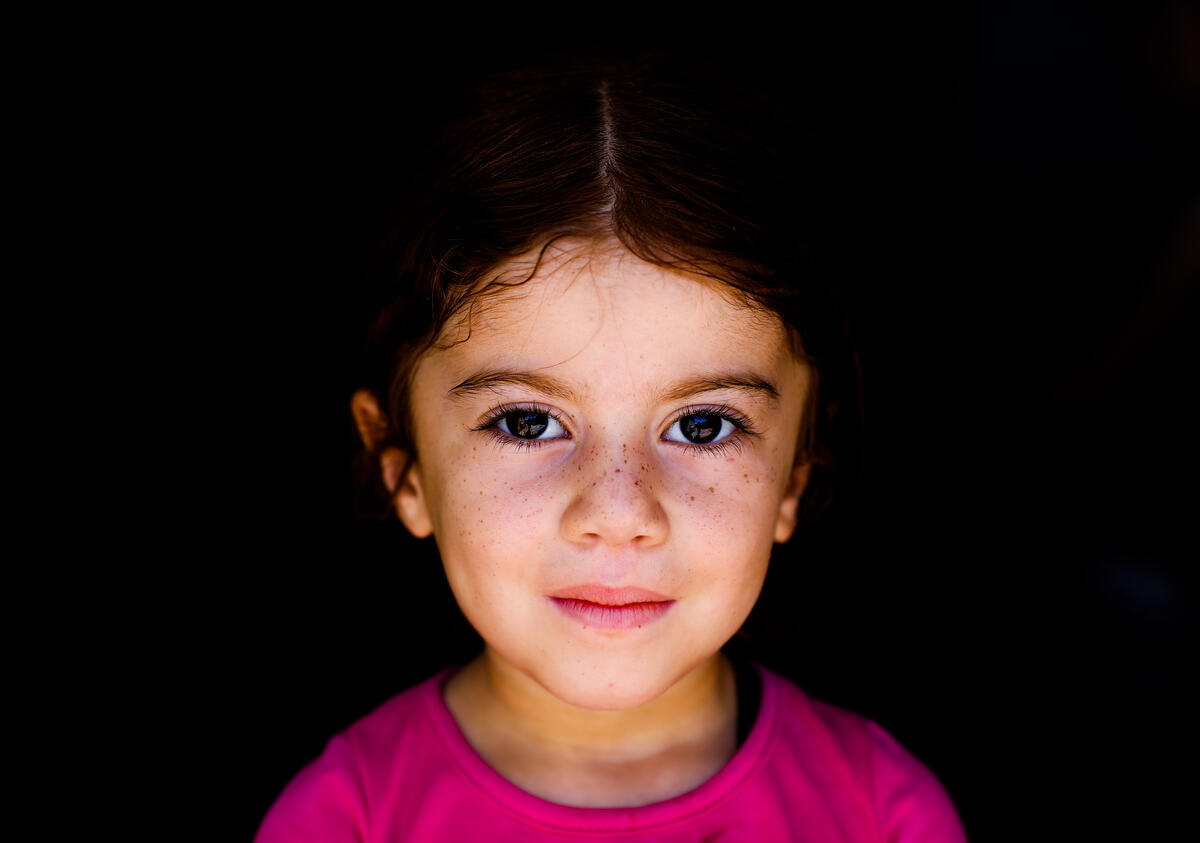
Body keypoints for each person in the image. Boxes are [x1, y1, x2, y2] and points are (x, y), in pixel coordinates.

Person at [255, 52, 968, 842]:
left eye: (703, 425)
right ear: (404, 465)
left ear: (795, 475)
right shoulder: (344, 820)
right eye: (527, 422)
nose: (620, 513)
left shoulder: (882, 814)